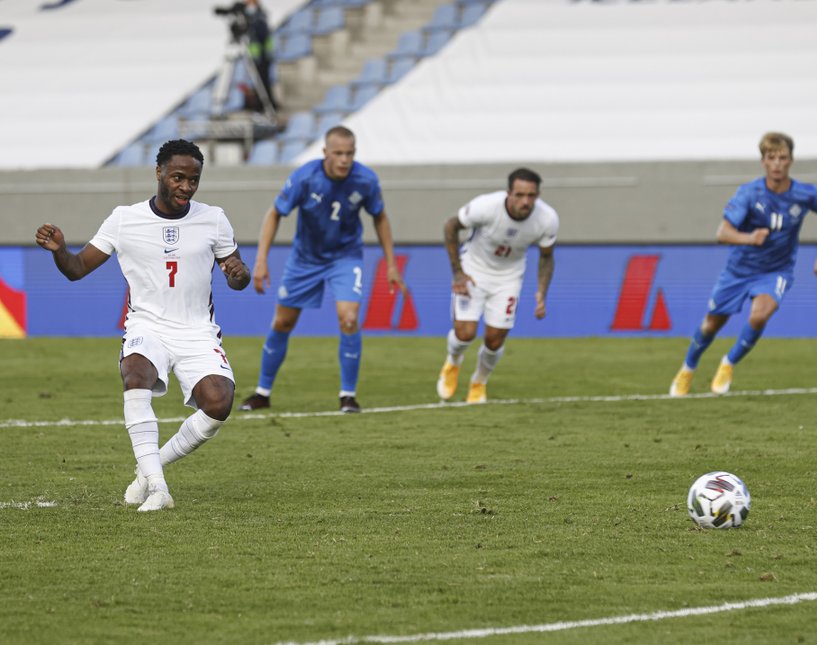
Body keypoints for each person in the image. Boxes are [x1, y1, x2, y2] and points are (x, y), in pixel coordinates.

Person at [35, 139, 251, 512]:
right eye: (178, 177)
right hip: (147, 325)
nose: (186, 187)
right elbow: (76, 269)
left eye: (194, 180)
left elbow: (237, 274)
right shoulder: (124, 219)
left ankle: (148, 469)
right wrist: (60, 252)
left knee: (219, 404)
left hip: (196, 330)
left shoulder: (213, 218)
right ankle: (158, 488)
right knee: (135, 375)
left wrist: (239, 274)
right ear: (159, 173)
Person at [239, 125, 406, 413]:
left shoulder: (365, 180)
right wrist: (261, 259)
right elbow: (275, 213)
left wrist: (390, 263)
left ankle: (348, 396)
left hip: (345, 257)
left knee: (349, 318)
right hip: (305, 259)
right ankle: (262, 392)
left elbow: (380, 217)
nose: (344, 160)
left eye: (350, 154)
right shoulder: (305, 177)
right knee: (282, 323)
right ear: (325, 153)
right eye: (338, 153)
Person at [669, 132, 817, 397]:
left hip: (776, 270)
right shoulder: (748, 193)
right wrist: (750, 238)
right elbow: (722, 233)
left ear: (791, 160)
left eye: (783, 158)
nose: (777, 164)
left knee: (759, 315)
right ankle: (687, 369)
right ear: (763, 162)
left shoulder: (806, 194)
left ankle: (728, 363)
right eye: (772, 158)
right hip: (739, 270)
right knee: (711, 325)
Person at [436, 167, 559, 404]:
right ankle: (453, 362)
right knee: (465, 333)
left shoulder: (547, 219)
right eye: (520, 195)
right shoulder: (486, 206)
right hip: (474, 270)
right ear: (508, 193)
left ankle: (479, 381)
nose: (526, 201)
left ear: (538, 195)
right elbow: (450, 226)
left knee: (494, 339)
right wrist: (458, 273)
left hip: (508, 278)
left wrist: (542, 291)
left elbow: (546, 256)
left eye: (531, 196)